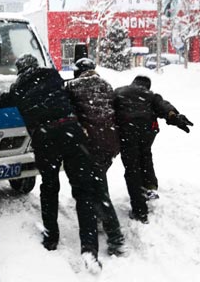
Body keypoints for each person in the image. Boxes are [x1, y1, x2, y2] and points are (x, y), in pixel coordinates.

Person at [0, 54, 103, 273]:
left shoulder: (17, 90)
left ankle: (51, 237)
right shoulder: (53, 76)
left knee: (50, 187)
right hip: (71, 131)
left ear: (20, 71)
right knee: (83, 191)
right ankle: (89, 248)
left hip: (45, 137)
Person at [113, 76, 193, 224]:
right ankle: (150, 187)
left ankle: (139, 210)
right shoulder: (151, 96)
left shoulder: (119, 92)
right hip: (146, 133)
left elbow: (107, 109)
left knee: (132, 169)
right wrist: (175, 117)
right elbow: (165, 107)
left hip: (126, 133)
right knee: (145, 156)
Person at [66, 58, 126, 256]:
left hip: (90, 143)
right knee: (99, 179)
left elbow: (69, 112)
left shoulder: (72, 87)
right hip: (110, 143)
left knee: (98, 189)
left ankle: (115, 236)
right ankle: (101, 218)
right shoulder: (106, 85)